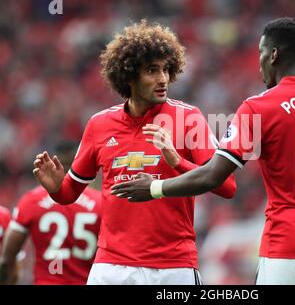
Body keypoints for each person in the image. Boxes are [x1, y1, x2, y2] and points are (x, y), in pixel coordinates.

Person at [111, 17, 295, 285]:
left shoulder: (258, 108)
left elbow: (214, 176)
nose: (259, 63)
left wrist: (155, 188)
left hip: (284, 251)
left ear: (273, 54)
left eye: (261, 54)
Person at [32, 20, 236, 285]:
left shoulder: (189, 118)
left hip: (173, 266)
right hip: (112, 267)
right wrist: (55, 188)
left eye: (165, 70)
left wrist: (177, 161)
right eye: (152, 71)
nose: (163, 79)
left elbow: (227, 186)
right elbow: (69, 193)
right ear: (128, 76)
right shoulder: (99, 124)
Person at [0, 141, 101, 285]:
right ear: (79, 163)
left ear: (55, 161)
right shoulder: (99, 202)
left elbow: (7, 259)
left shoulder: (31, 201)